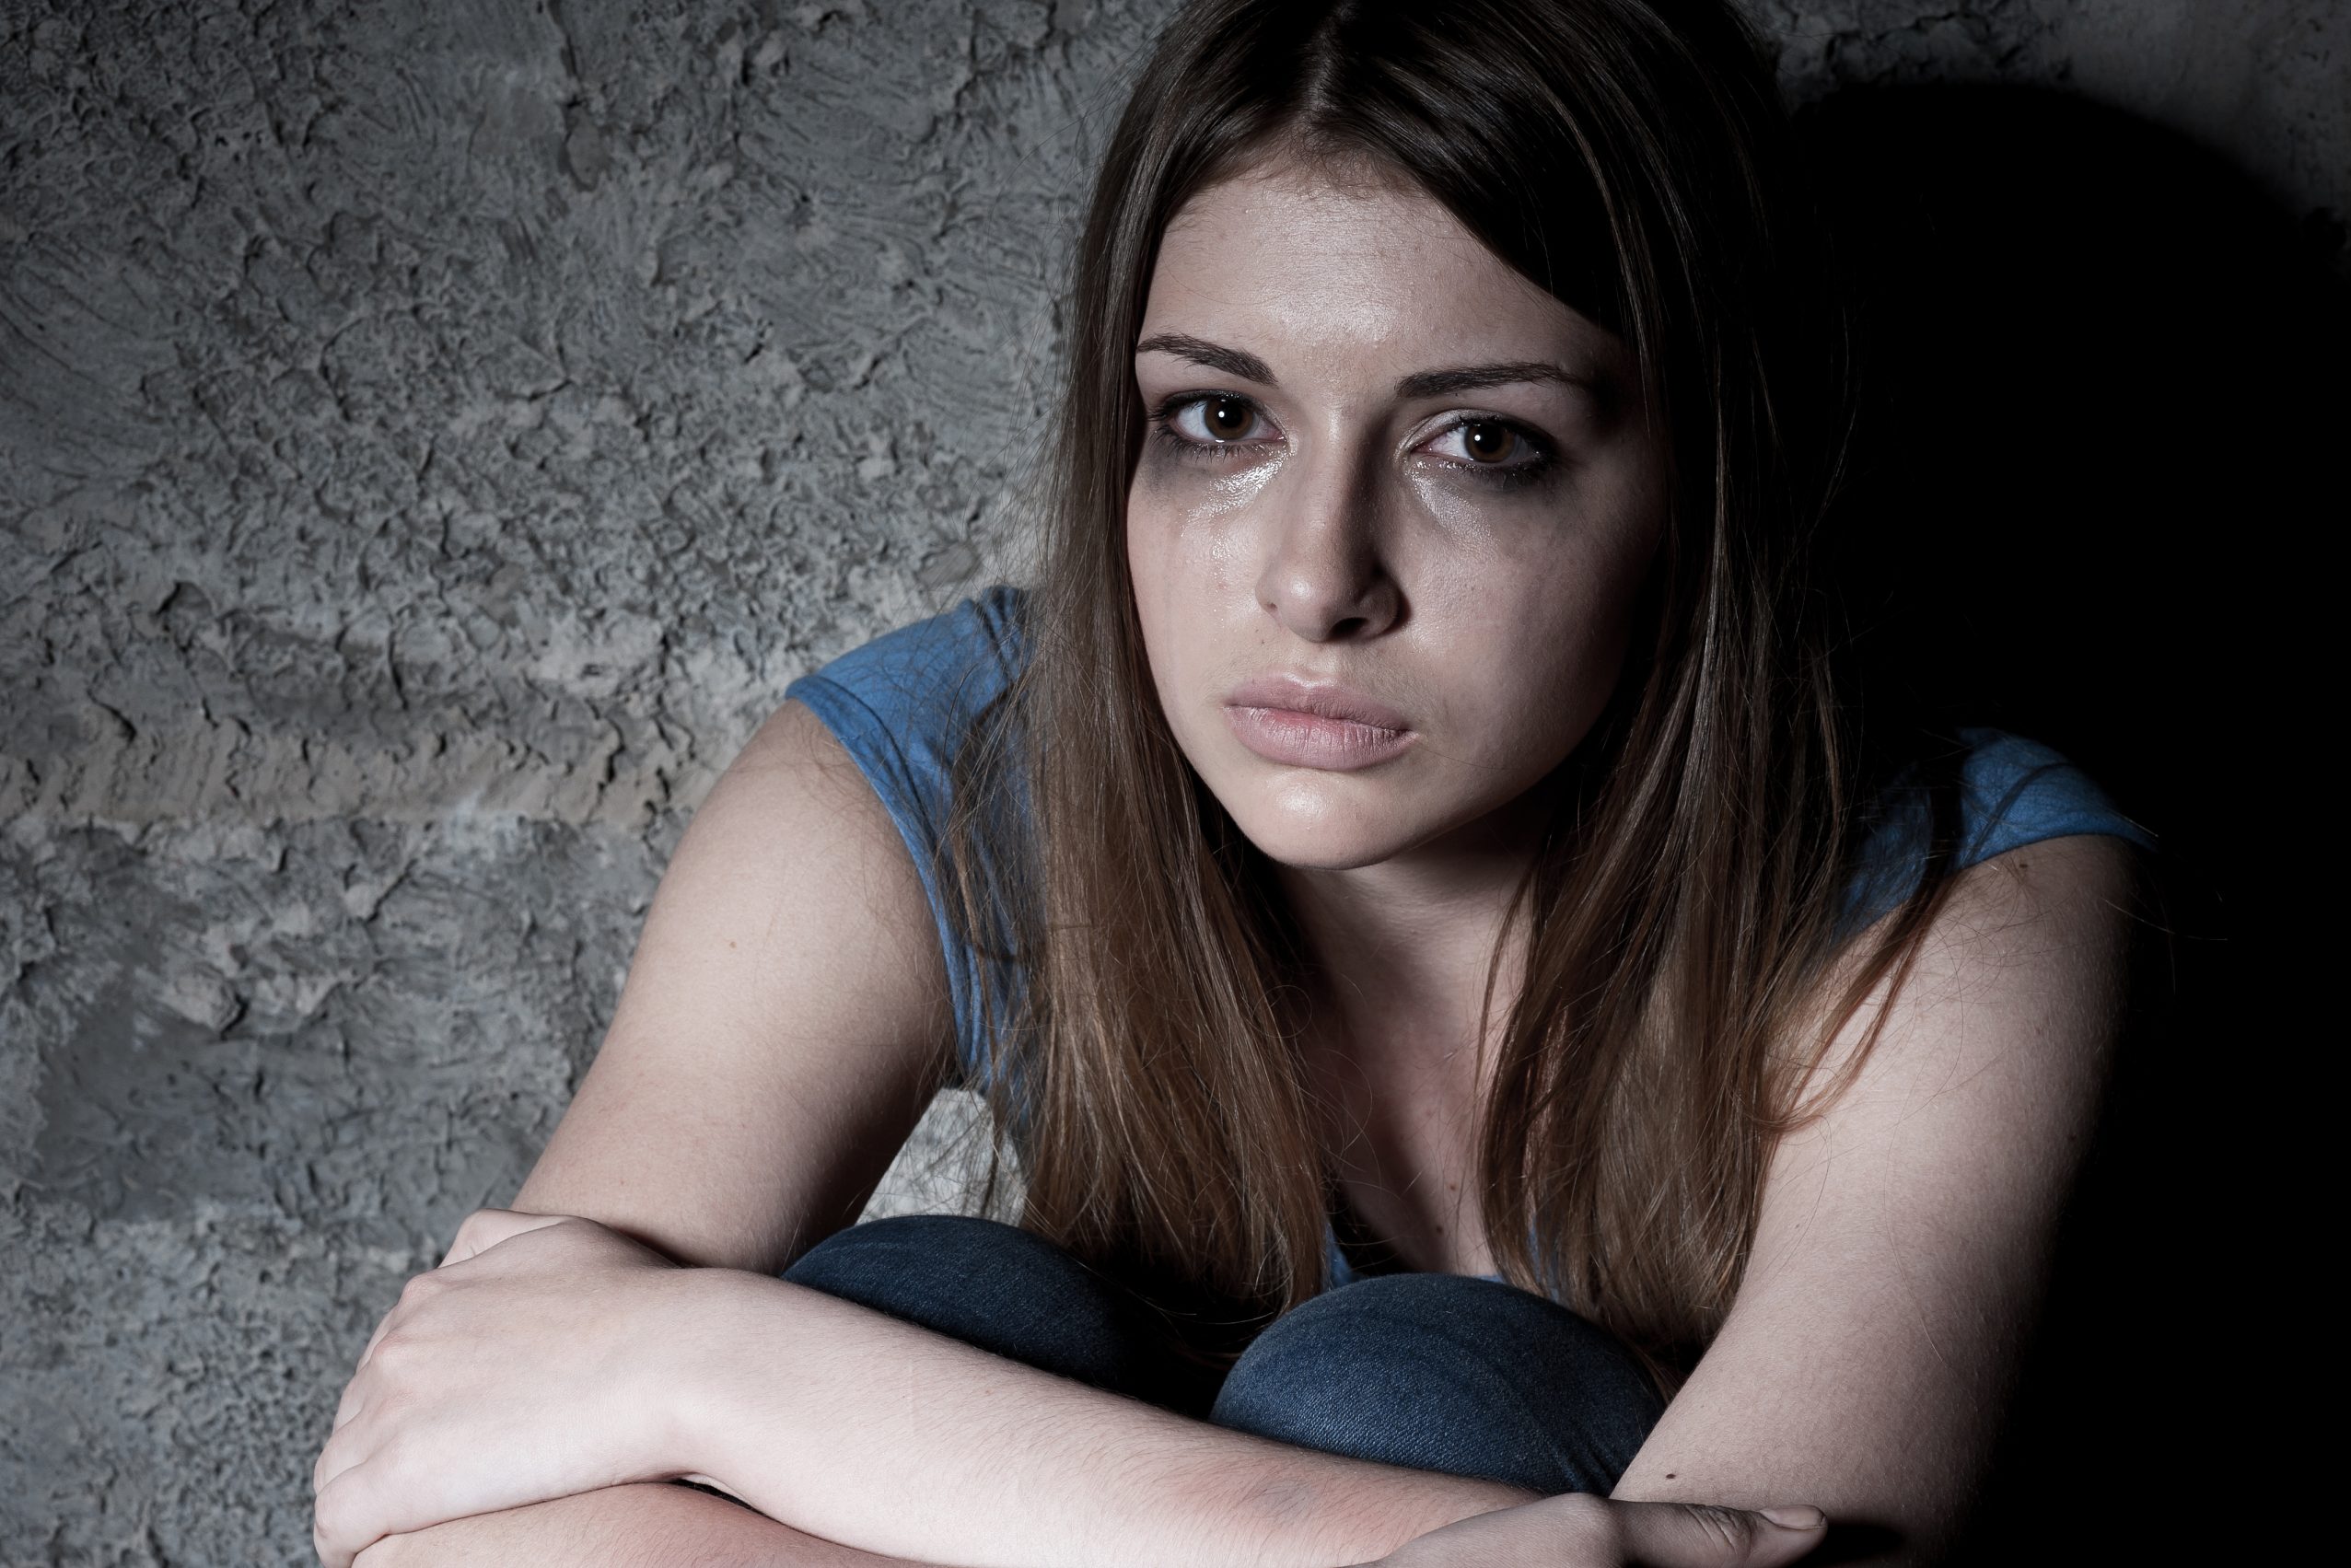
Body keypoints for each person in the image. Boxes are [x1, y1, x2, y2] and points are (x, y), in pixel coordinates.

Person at [309, 1, 2159, 1563]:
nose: (1309, 578)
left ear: (1702, 484)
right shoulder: (940, 767)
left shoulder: (1954, 891)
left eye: (1481, 443)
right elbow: (436, 1495)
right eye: (1217, 419)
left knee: (1400, 1389)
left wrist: (703, 1363)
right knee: (942, 1316)